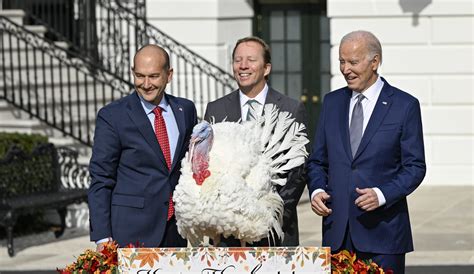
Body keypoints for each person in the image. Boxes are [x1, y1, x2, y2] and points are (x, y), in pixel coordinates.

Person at [307, 30, 426, 273]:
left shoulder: (404, 105)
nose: (345, 69)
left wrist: (382, 194)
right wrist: (317, 189)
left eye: (353, 62)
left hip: (383, 235)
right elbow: (317, 161)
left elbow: (415, 167)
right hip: (337, 235)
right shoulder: (332, 102)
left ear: (375, 62)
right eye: (341, 61)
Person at [88, 44, 198, 250]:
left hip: (176, 231)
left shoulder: (186, 109)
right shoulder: (113, 116)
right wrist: (102, 236)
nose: (146, 84)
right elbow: (101, 178)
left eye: (154, 76)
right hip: (131, 232)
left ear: (169, 74)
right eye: (140, 76)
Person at [204, 36, 307, 247]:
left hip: (275, 232)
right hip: (227, 233)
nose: (243, 66)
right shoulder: (215, 109)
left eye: (251, 59)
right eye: (238, 60)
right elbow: (207, 167)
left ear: (266, 68)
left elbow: (298, 173)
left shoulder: (290, 109)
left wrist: (269, 217)